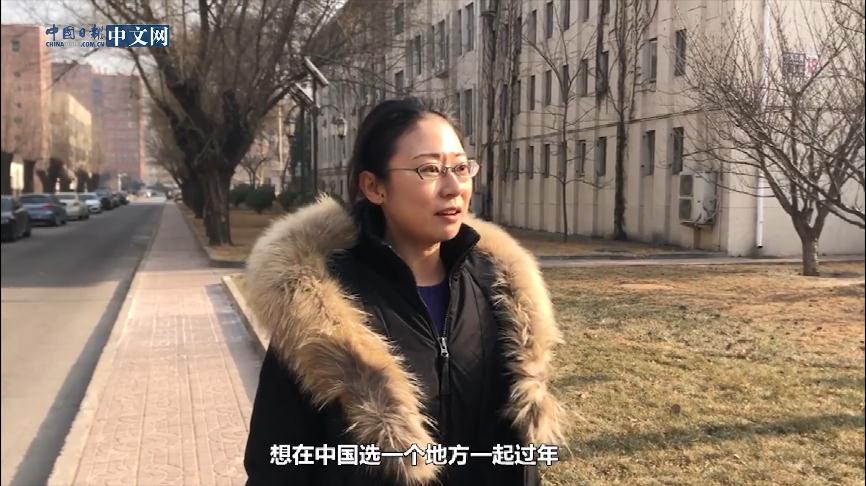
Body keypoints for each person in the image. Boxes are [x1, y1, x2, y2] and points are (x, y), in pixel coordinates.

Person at [244, 98, 565, 485]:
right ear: (374, 186)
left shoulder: (499, 288)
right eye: (429, 169)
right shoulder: (318, 306)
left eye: (461, 168)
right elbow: (275, 464)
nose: (453, 188)